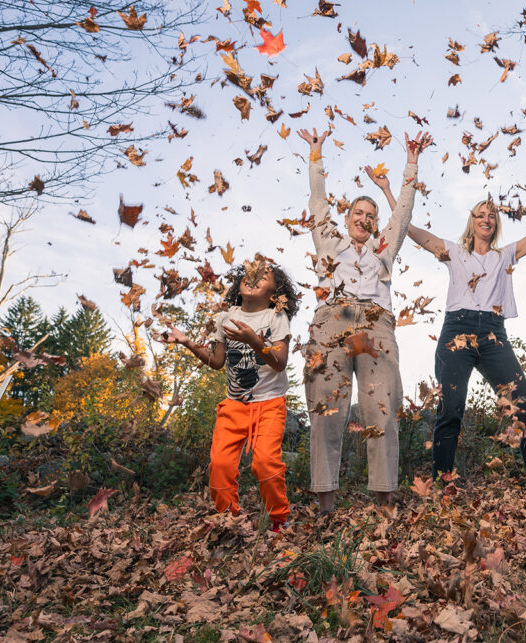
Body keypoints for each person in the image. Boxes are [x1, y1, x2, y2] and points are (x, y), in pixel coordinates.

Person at [367, 168, 526, 487]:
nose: (487, 219)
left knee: (524, 404)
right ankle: (443, 483)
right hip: (457, 333)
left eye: (492, 215)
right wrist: (388, 191)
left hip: (494, 335)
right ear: (472, 221)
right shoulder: (453, 252)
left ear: (496, 224)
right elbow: (408, 228)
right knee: (450, 408)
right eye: (481, 214)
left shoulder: (506, 255)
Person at [298, 127, 431, 515]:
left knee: (382, 409)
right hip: (332, 318)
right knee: (327, 410)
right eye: (358, 212)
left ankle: (385, 499)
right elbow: (317, 202)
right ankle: (325, 502)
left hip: (376, 324)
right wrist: (316, 155)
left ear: (375, 224)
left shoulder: (384, 250)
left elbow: (403, 213)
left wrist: (411, 162)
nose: (365, 218)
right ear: (348, 217)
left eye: (371, 216)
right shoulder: (329, 243)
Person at [163, 256, 299, 532]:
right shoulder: (224, 317)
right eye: (250, 273)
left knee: (265, 464)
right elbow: (216, 361)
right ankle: (229, 518)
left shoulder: (276, 317)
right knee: (220, 466)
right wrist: (187, 342)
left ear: (275, 293)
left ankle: (279, 520)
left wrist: (252, 339)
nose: (255, 276)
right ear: (239, 285)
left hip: (269, 405)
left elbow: (279, 362)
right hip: (234, 405)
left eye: (264, 274)